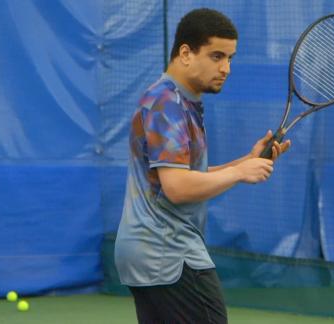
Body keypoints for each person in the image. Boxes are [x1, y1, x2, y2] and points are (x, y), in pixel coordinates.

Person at [114, 8, 290, 324]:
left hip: (148, 253)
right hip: (170, 254)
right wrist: (238, 173)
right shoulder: (167, 104)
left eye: (230, 58)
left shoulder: (177, 101)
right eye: (217, 56)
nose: (226, 68)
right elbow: (178, 189)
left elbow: (182, 178)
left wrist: (245, 162)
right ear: (186, 53)